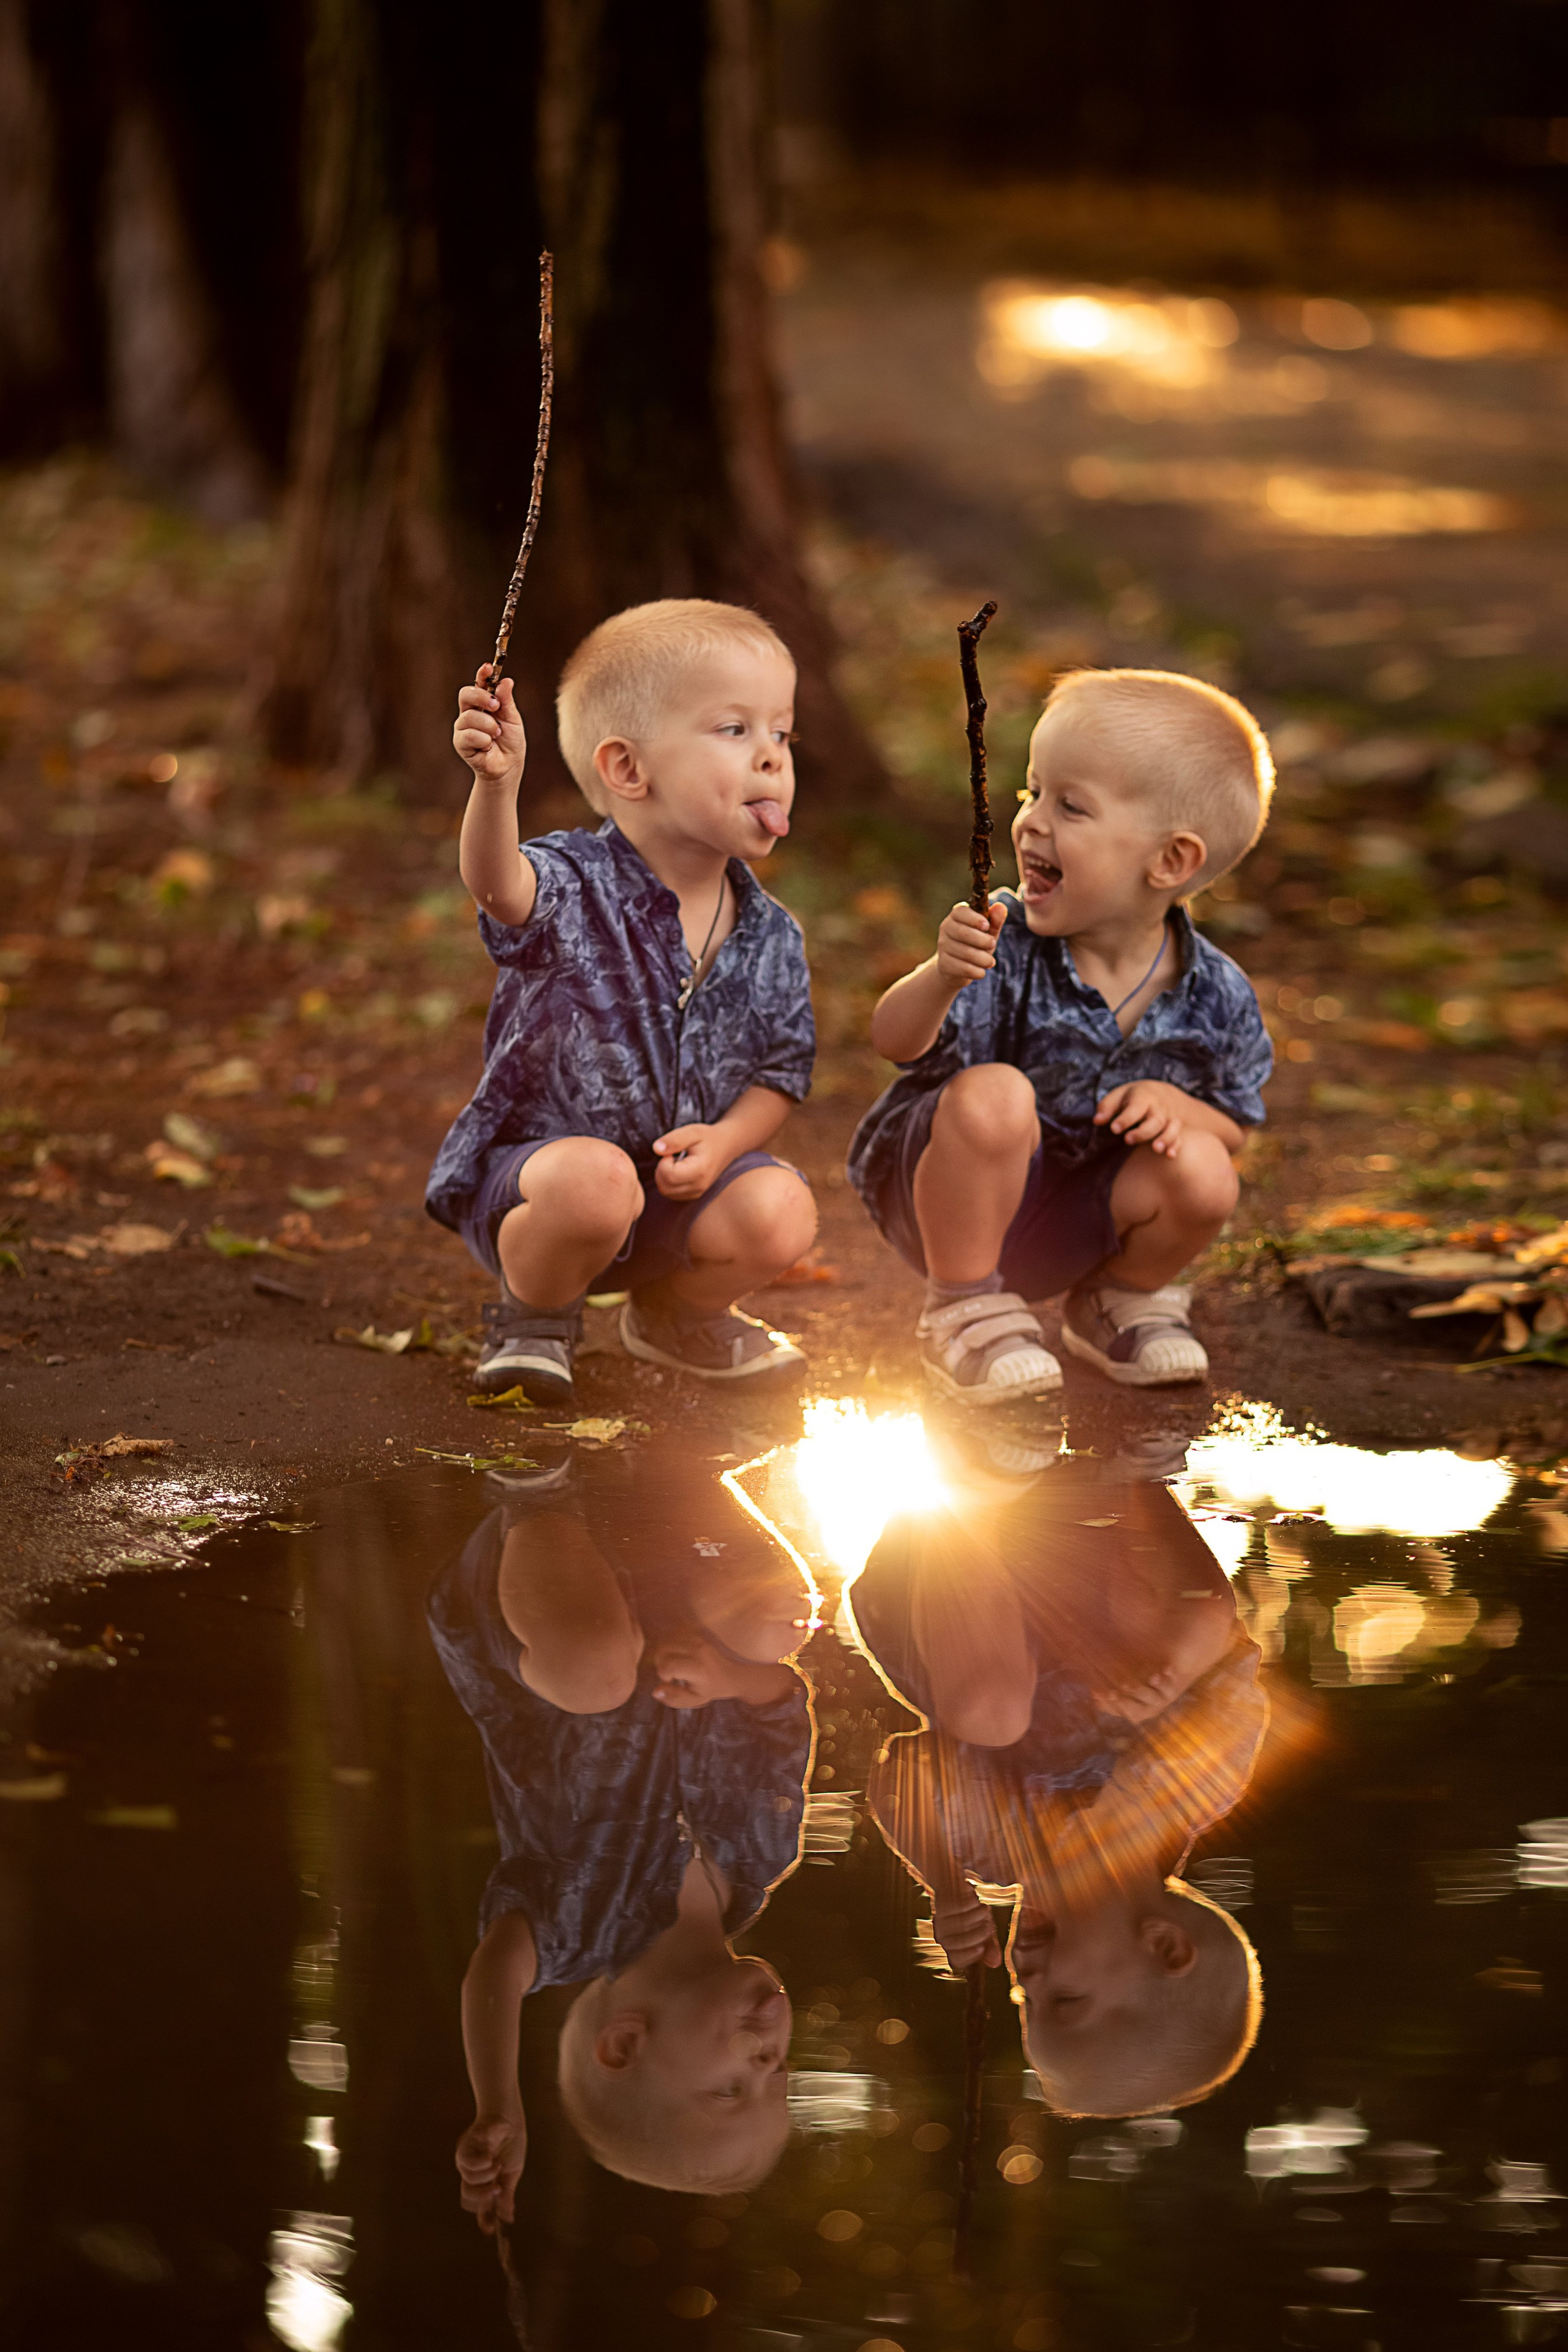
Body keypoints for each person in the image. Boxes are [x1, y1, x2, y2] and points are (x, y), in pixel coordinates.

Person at [429, 599, 818, 1405]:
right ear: (629, 770)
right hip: (551, 1188)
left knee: (781, 1207)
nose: (773, 758)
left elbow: (781, 1073)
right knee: (596, 1182)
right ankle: (535, 1317)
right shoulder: (573, 884)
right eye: (734, 730)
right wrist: (497, 787)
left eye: (781, 733)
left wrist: (726, 1142)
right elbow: (501, 889)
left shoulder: (772, 936)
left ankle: (675, 1316)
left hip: (678, 1197)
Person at [848, 667, 1275, 1401]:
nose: (1031, 822)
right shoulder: (1003, 938)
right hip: (948, 1199)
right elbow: (895, 1041)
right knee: (995, 1093)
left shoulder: (1216, 995)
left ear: (1170, 861)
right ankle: (962, 1306)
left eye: (1070, 806)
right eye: (1031, 792)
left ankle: (1115, 1299)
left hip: (1082, 1220)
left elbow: (1233, 1123)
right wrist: (940, 977)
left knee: (1204, 1169)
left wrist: (1177, 1111)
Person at [430, 1464, 815, 2217]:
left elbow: (494, 1977)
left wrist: (499, 2103)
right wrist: (735, 1680)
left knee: (598, 1674)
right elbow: (782, 1710)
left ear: (624, 2044)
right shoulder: (765, 1857)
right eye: (780, 2074)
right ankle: (684, 1464)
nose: (767, 2059)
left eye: (732, 2087)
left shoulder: (574, 1931)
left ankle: (535, 1488)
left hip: (533, 1617)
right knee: (779, 1626)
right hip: (672, 1572)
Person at [850, 1457, 1267, 2116]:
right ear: (1162, 1944)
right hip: (1089, 1543)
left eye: (1025, 2004)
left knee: (989, 1715)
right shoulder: (1190, 1790)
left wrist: (943, 1880)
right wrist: (1170, 1671)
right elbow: (1227, 1642)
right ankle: (1135, 1465)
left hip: (937, 1570)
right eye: (1062, 2001)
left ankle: (970, 1484)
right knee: (1193, 1627)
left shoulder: (994, 1852)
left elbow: (902, 1773)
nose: (1027, 1978)